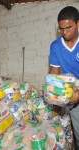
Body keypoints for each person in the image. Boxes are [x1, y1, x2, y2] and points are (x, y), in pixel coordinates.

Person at [49, 6, 79, 149]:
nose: (65, 32)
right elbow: (54, 72)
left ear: (78, 24)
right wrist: (51, 92)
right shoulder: (55, 46)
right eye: (61, 29)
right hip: (73, 95)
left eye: (69, 28)